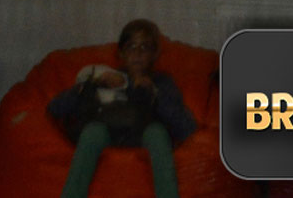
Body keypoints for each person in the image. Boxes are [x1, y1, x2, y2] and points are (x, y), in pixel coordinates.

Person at [47, 18, 197, 198]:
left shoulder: (161, 81)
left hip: (145, 131)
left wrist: (154, 92)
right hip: (108, 129)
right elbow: (55, 108)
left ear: (154, 54)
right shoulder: (108, 77)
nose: (137, 54)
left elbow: (186, 128)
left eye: (144, 48)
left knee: (157, 133)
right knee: (92, 131)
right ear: (121, 54)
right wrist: (92, 84)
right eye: (131, 47)